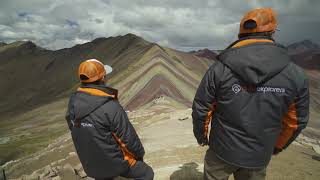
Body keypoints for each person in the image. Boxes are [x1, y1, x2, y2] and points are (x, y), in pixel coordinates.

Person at [192, 8, 309, 180]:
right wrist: (277, 146)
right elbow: (295, 122)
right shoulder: (295, 74)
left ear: (241, 32)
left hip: (221, 151)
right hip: (259, 155)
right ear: (273, 31)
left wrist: (202, 137)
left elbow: (202, 108)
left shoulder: (219, 69)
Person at [65, 59, 154, 180]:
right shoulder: (110, 106)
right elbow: (128, 140)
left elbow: (75, 130)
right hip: (115, 166)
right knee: (146, 173)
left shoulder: (72, 103)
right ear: (102, 78)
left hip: (90, 167)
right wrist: (139, 156)